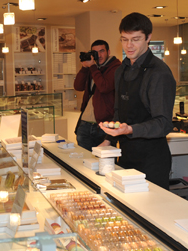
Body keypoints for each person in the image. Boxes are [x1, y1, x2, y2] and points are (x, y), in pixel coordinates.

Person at [99, 12, 176, 189]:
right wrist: (108, 140)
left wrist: (130, 129)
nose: (129, 45)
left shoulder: (159, 73)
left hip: (152, 160)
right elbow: (119, 111)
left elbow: (163, 123)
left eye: (136, 39)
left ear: (148, 38)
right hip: (126, 156)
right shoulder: (121, 70)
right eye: (124, 39)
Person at [74, 40, 121, 150]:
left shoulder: (116, 68)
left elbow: (104, 87)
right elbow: (78, 86)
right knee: (84, 163)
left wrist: (93, 67)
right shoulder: (92, 67)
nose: (98, 55)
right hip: (85, 124)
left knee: (106, 164)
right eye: (95, 52)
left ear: (108, 52)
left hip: (104, 125)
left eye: (101, 51)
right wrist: (85, 67)